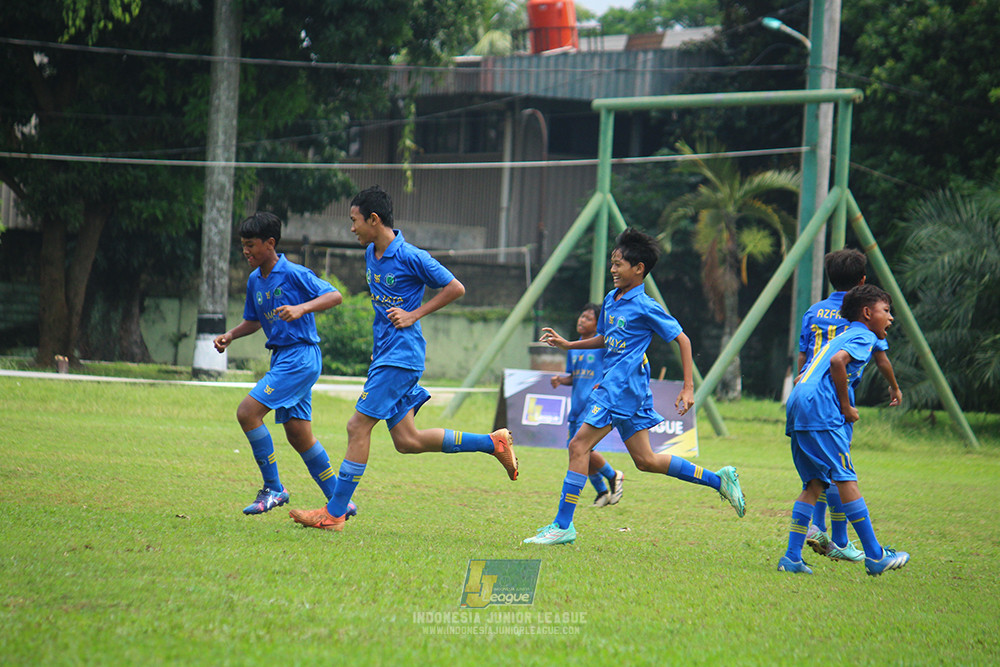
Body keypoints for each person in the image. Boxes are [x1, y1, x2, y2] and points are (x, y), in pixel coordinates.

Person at [289, 186, 517, 532]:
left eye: (354, 220)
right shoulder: (371, 254)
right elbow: (382, 308)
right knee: (407, 440)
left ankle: (334, 514)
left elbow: (456, 287)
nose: (352, 228)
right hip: (386, 354)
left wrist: (414, 314)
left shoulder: (412, 255)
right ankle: (493, 442)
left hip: (402, 356)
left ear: (373, 219)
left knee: (356, 426)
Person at [523, 228, 746, 546]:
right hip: (624, 387)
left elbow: (682, 339)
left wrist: (688, 387)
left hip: (621, 387)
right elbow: (605, 338)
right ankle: (718, 479)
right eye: (612, 263)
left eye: (619, 264)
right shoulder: (611, 301)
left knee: (578, 446)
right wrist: (570, 344)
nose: (613, 269)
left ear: (638, 268)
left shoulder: (645, 306)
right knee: (646, 460)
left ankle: (563, 526)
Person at [214, 211, 350, 517]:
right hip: (284, 358)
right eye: (243, 245)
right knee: (298, 433)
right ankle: (340, 499)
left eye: (250, 245)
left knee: (248, 412)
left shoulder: (293, 273)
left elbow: (334, 295)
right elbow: (254, 320)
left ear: (270, 243)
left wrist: (303, 308)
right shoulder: (254, 280)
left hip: (301, 356)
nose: (245, 251)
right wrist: (231, 335)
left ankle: (274, 489)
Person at [777, 284, 910, 576]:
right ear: (867, 313)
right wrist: (846, 406)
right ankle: (875, 556)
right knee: (846, 478)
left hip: (798, 403)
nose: (890, 318)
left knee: (813, 484)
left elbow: (808, 369)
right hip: (820, 410)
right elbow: (839, 363)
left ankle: (791, 558)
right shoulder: (863, 335)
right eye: (885, 311)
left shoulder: (841, 335)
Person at [796, 249, 902, 563]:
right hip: (835, 400)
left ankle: (815, 531)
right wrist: (894, 386)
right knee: (840, 470)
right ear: (863, 281)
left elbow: (803, 356)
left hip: (806, 392)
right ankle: (845, 542)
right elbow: (878, 358)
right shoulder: (861, 318)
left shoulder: (813, 311)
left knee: (819, 473)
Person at [549, 303, 624, 507]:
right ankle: (602, 492)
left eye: (588, 318)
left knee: (581, 449)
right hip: (576, 407)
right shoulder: (573, 348)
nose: (582, 320)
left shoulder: (602, 347)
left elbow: (615, 366)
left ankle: (613, 475)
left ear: (598, 324)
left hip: (593, 405)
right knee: (576, 451)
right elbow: (575, 377)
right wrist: (560, 380)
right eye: (581, 316)